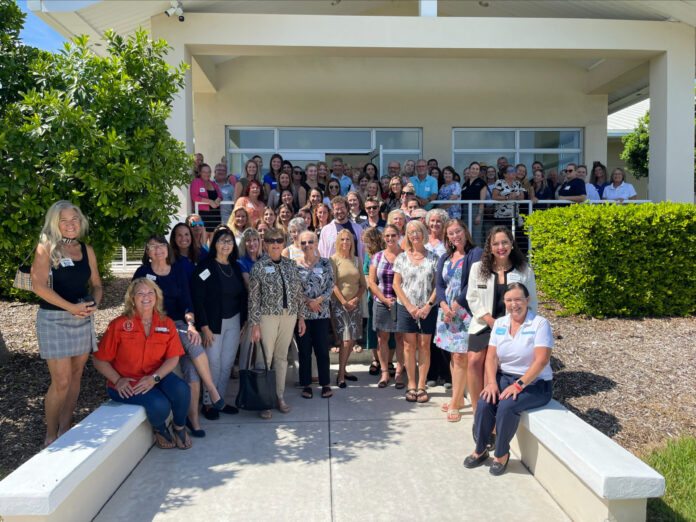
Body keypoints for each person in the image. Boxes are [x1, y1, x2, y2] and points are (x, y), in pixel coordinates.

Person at [133, 234, 226, 435]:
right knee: (190, 342)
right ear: (147, 252)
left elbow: (187, 303)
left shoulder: (177, 271)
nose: (158, 250)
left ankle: (192, 420)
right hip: (154, 324)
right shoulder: (143, 272)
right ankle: (211, 389)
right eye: (153, 247)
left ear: (167, 249)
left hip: (178, 323)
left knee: (192, 353)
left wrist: (191, 325)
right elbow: (135, 302)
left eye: (161, 245)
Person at [30, 201, 101, 447]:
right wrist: (71, 308)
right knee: (61, 381)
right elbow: (37, 286)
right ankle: (51, 435)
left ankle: (66, 428)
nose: (71, 224)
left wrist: (94, 303)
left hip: (82, 319)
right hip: (54, 321)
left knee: (76, 375)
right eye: (64, 220)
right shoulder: (46, 247)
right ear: (55, 223)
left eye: (74, 219)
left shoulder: (86, 249)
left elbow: (97, 285)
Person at [463, 283, 553, 476]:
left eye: (518, 299)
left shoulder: (539, 324)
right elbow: (492, 357)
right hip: (504, 377)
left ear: (527, 301)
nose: (514, 304)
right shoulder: (501, 324)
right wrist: (491, 382)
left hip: (535, 383)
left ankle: (501, 454)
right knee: (485, 401)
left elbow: (542, 360)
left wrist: (519, 385)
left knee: (507, 405)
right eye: (509, 300)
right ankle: (481, 449)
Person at [93, 278, 192, 449]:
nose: (145, 297)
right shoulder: (119, 324)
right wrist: (117, 380)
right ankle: (160, 429)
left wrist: (154, 378)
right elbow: (99, 359)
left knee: (182, 390)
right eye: (140, 293)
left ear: (156, 296)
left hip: (156, 375)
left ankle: (179, 426)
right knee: (160, 404)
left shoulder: (166, 323)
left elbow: (173, 358)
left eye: (150, 292)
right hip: (127, 382)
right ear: (132, 298)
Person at [466, 225, 537, 423]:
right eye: (495, 243)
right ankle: (477, 410)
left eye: (505, 242)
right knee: (473, 360)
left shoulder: (524, 270)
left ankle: (494, 410)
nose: (501, 247)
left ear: (512, 244)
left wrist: (521, 328)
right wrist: (489, 319)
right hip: (484, 323)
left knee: (497, 363)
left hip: (512, 327)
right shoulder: (478, 268)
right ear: (489, 247)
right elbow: (472, 298)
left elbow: (531, 303)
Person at [249, 227, 307, 419]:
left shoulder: (291, 265)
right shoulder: (259, 266)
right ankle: (263, 401)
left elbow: (298, 292)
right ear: (266, 244)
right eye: (271, 240)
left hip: (289, 316)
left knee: (282, 357)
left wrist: (301, 317)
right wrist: (255, 323)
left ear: (284, 243)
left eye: (279, 240)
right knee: (264, 359)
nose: (275, 243)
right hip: (267, 316)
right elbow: (254, 297)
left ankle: (279, 396)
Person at [191, 229, 247, 421]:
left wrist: (244, 321)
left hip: (234, 321)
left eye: (229, 241)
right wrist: (204, 327)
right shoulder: (205, 268)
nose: (226, 245)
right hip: (213, 324)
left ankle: (219, 401)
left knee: (226, 364)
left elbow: (243, 295)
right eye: (222, 241)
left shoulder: (235, 267)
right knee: (213, 364)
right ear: (214, 244)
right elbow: (198, 300)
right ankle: (208, 402)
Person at [435, 219, 482, 422]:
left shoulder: (475, 253)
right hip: (447, 313)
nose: (455, 236)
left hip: (464, 313)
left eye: (458, 231)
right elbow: (439, 286)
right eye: (451, 233)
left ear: (465, 231)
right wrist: (444, 306)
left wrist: (455, 306)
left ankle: (455, 401)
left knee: (460, 357)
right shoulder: (445, 257)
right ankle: (459, 397)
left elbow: (473, 284)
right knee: (454, 357)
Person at [393, 219, 439, 403]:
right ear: (407, 236)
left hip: (427, 309)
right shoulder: (402, 257)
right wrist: (410, 306)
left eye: (417, 231)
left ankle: (422, 385)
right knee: (408, 346)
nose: (414, 235)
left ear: (423, 233)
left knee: (424, 346)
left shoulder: (434, 258)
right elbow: (397, 284)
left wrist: (428, 305)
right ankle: (411, 383)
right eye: (410, 232)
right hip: (406, 308)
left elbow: (438, 286)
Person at [295, 230, 334, 399]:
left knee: (322, 350)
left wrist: (318, 300)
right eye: (303, 242)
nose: (307, 245)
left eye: (310, 242)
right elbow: (293, 289)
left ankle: (325, 383)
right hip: (302, 315)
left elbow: (331, 285)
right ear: (298, 244)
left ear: (316, 243)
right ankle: (307, 384)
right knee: (304, 351)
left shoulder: (325, 263)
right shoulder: (294, 265)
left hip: (321, 313)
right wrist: (308, 301)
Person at [367, 224, 405, 389]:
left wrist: (397, 300)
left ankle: (398, 372)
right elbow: (371, 281)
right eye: (387, 236)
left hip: (401, 303)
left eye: (393, 235)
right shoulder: (377, 257)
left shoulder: (405, 256)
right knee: (382, 338)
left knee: (400, 339)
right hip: (382, 302)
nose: (390, 239)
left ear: (399, 236)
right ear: (383, 238)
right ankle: (384, 372)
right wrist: (384, 299)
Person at [330, 229, 367, 388]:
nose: (345, 242)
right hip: (339, 305)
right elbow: (333, 284)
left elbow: (363, 285)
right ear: (338, 242)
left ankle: (343, 370)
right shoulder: (333, 259)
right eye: (343, 239)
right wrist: (344, 302)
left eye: (348, 240)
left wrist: (355, 300)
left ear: (352, 242)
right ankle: (340, 375)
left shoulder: (357, 260)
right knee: (345, 340)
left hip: (355, 305)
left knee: (352, 340)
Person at [318, 196, 365, 261]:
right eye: (337, 209)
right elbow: (321, 252)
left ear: (347, 209)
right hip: (334, 269)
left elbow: (363, 251)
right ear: (332, 211)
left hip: (354, 268)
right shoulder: (326, 230)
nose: (340, 211)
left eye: (342, 208)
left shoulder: (358, 229)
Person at [189, 163, 222, 242]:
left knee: (214, 244)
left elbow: (220, 195)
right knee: (202, 243)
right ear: (200, 173)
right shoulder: (196, 182)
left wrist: (218, 199)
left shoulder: (213, 183)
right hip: (203, 216)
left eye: (209, 172)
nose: (207, 174)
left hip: (215, 216)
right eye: (204, 172)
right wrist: (209, 202)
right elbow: (195, 197)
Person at [461, 162, 487, 244]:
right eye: (473, 168)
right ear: (469, 170)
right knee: (466, 235)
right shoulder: (465, 184)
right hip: (465, 211)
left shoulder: (482, 183)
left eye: (477, 169)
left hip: (476, 210)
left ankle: (478, 256)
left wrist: (479, 215)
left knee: (476, 236)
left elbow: (482, 201)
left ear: (479, 171)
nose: (474, 171)